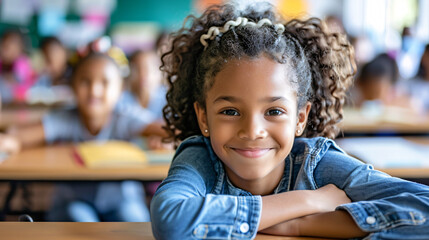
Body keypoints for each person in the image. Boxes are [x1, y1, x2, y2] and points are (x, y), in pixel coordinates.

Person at [150, 3, 429, 239]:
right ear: (203, 117)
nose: (252, 131)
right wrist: (307, 202)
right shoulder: (199, 158)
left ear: (300, 118)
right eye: (231, 112)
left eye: (273, 111)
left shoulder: (316, 163)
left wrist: (299, 224)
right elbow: (172, 221)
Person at [0, 53, 165, 221]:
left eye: (105, 82)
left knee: (135, 222)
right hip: (74, 200)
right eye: (85, 81)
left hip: (122, 199)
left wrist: (166, 140)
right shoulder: (67, 117)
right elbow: (23, 136)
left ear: (120, 89)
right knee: (80, 221)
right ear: (73, 86)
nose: (94, 90)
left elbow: (165, 129)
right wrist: (11, 141)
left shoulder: (125, 116)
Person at [0, 30, 36, 103]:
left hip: (20, 101)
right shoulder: (2, 62)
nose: (3, 51)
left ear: (19, 49)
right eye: (3, 46)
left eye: (7, 48)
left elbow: (17, 79)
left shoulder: (22, 62)